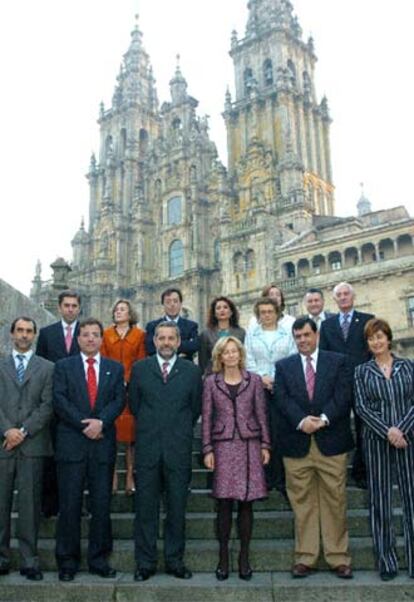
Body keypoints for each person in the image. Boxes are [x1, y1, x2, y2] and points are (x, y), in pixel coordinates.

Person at [274, 317, 354, 579]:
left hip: (331, 442)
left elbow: (343, 395)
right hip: (297, 445)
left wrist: (323, 419)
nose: (302, 340)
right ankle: (306, 557)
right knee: (302, 503)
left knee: (335, 500)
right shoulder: (284, 367)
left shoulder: (337, 361)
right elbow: (282, 399)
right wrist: (301, 421)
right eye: (297, 336)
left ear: (316, 335)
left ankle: (338, 557)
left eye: (307, 335)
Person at [53, 318, 125, 582]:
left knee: (101, 504)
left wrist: (101, 422)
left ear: (101, 338)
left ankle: (99, 559)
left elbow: (119, 399)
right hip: (72, 444)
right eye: (86, 334)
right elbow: (59, 399)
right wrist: (84, 424)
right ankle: (67, 561)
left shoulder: (115, 369)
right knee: (70, 505)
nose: (91, 339)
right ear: (79, 338)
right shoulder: (63, 367)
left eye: (96, 334)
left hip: (102, 444)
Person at [130, 322, 202, 582]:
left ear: (179, 341)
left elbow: (194, 408)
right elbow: (135, 405)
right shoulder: (140, 370)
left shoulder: (192, 372)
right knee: (145, 509)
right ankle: (145, 563)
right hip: (148, 448)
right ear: (155, 341)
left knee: (176, 508)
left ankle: (174, 561)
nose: (166, 343)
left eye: (171, 338)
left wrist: (177, 431)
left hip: (178, 449)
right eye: (161, 338)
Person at [202, 336, 270, 581]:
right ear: (219, 357)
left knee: (246, 503)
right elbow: (207, 417)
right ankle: (223, 557)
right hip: (222, 446)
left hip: (249, 444)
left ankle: (244, 557)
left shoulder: (253, 381)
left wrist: (266, 444)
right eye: (226, 352)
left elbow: (261, 413)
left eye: (234, 351)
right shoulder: (211, 382)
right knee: (223, 504)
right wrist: (207, 449)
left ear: (241, 355)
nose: (231, 355)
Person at [354, 318, 414, 581]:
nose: (376, 342)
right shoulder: (362, 372)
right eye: (371, 338)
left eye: (380, 337)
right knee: (381, 502)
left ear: (388, 338)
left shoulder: (408, 367)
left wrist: (401, 429)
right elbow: (362, 408)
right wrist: (388, 431)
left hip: (408, 439)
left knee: (412, 501)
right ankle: (386, 561)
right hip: (377, 441)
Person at [0, 317, 54, 581]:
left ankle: (29, 560)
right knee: (0, 503)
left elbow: (47, 406)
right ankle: (1, 558)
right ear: (11, 334)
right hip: (3, 443)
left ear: (34, 335)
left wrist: (22, 432)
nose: (24, 335)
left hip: (32, 444)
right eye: (19, 330)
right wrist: (7, 430)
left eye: (29, 331)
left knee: (30, 506)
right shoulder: (0, 365)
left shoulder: (47, 368)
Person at [319, 281, 374, 488]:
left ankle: (362, 471)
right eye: (339, 295)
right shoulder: (327, 326)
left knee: (364, 427)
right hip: (338, 386)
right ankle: (338, 471)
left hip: (362, 383)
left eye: (346, 294)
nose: (343, 297)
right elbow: (324, 356)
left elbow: (372, 351)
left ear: (353, 297)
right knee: (338, 428)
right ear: (335, 299)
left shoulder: (368, 320)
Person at [36, 290, 82, 517]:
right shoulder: (46, 334)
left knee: (77, 458)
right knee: (51, 455)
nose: (70, 309)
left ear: (79, 308)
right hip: (52, 404)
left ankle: (76, 505)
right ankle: (49, 504)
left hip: (79, 405)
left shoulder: (87, 333)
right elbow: (40, 368)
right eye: (67, 305)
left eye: (74, 306)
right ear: (60, 307)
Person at [245, 297, 296, 494]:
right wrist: (262, 378)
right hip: (259, 388)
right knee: (263, 433)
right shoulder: (251, 334)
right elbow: (248, 358)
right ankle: (265, 478)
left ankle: (282, 478)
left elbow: (292, 356)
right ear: (258, 315)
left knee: (281, 432)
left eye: (269, 311)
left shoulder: (287, 333)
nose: (266, 315)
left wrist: (275, 378)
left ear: (277, 313)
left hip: (282, 386)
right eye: (262, 312)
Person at [101, 299, 146, 494]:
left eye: (122, 309)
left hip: (130, 389)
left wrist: (131, 381)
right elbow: (102, 359)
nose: (118, 312)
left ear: (130, 313)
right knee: (111, 435)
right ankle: (112, 476)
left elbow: (141, 360)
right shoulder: (106, 334)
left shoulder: (140, 335)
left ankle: (129, 475)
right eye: (116, 309)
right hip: (110, 389)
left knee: (130, 437)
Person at [145, 288, 199, 361]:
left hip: (185, 368)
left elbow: (194, 346)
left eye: (175, 301)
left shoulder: (191, 326)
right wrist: (183, 347)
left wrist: (164, 347)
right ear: (163, 305)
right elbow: (150, 348)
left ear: (180, 304)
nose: (172, 305)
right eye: (168, 302)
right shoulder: (152, 326)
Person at [199, 296, 245, 376]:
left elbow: (243, 356)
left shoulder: (241, 333)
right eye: (218, 308)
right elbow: (203, 362)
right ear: (214, 313)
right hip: (214, 376)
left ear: (231, 312)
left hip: (236, 375)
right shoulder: (206, 334)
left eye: (225, 307)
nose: (222, 310)